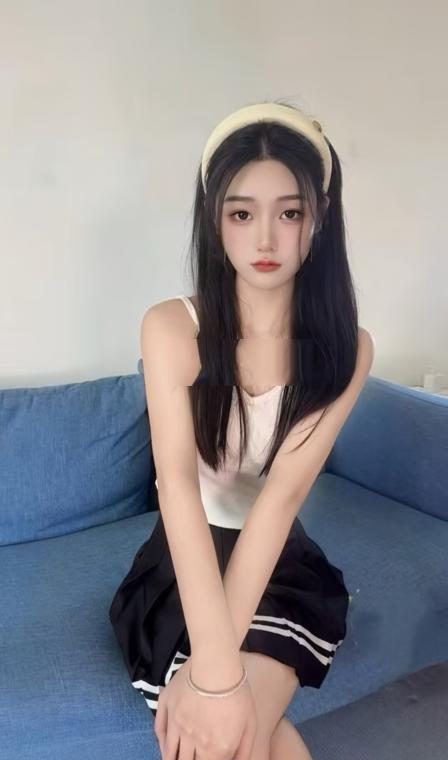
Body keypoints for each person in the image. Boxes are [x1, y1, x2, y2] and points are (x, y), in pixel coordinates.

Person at [109, 100, 374, 759]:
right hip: (183, 561)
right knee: (241, 732)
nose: (265, 242)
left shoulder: (347, 349)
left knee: (233, 734)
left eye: (289, 213)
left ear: (320, 218)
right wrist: (215, 672)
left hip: (277, 563)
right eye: (241, 214)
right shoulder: (173, 329)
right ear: (214, 220)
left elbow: (281, 500)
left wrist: (217, 680)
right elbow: (175, 486)